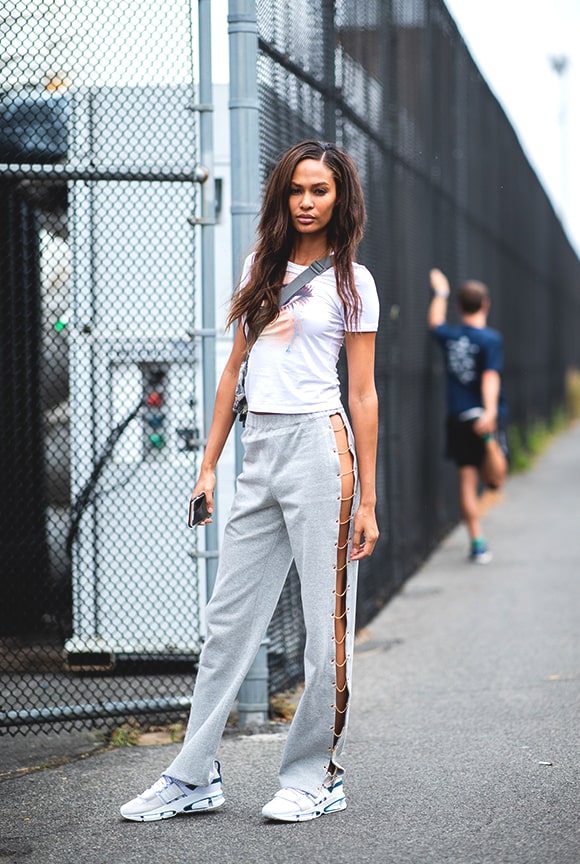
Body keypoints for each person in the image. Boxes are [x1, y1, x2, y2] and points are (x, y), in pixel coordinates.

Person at [120, 140, 380, 823]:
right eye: (297, 189)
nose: (305, 201)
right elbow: (234, 372)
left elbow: (364, 396)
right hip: (258, 451)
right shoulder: (260, 269)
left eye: (319, 190)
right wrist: (209, 464)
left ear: (339, 198)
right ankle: (193, 775)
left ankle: (315, 774)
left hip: (322, 450)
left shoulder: (354, 282)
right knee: (227, 623)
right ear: (282, 195)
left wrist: (369, 502)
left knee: (328, 633)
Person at [428, 267, 508, 564]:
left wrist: (441, 292)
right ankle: (489, 441)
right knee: (496, 481)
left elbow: (435, 323)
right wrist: (489, 412)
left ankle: (477, 542)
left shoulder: (451, 336)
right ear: (485, 304)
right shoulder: (490, 340)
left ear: (460, 307)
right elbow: (490, 376)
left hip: (459, 415)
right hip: (482, 414)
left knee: (466, 481)